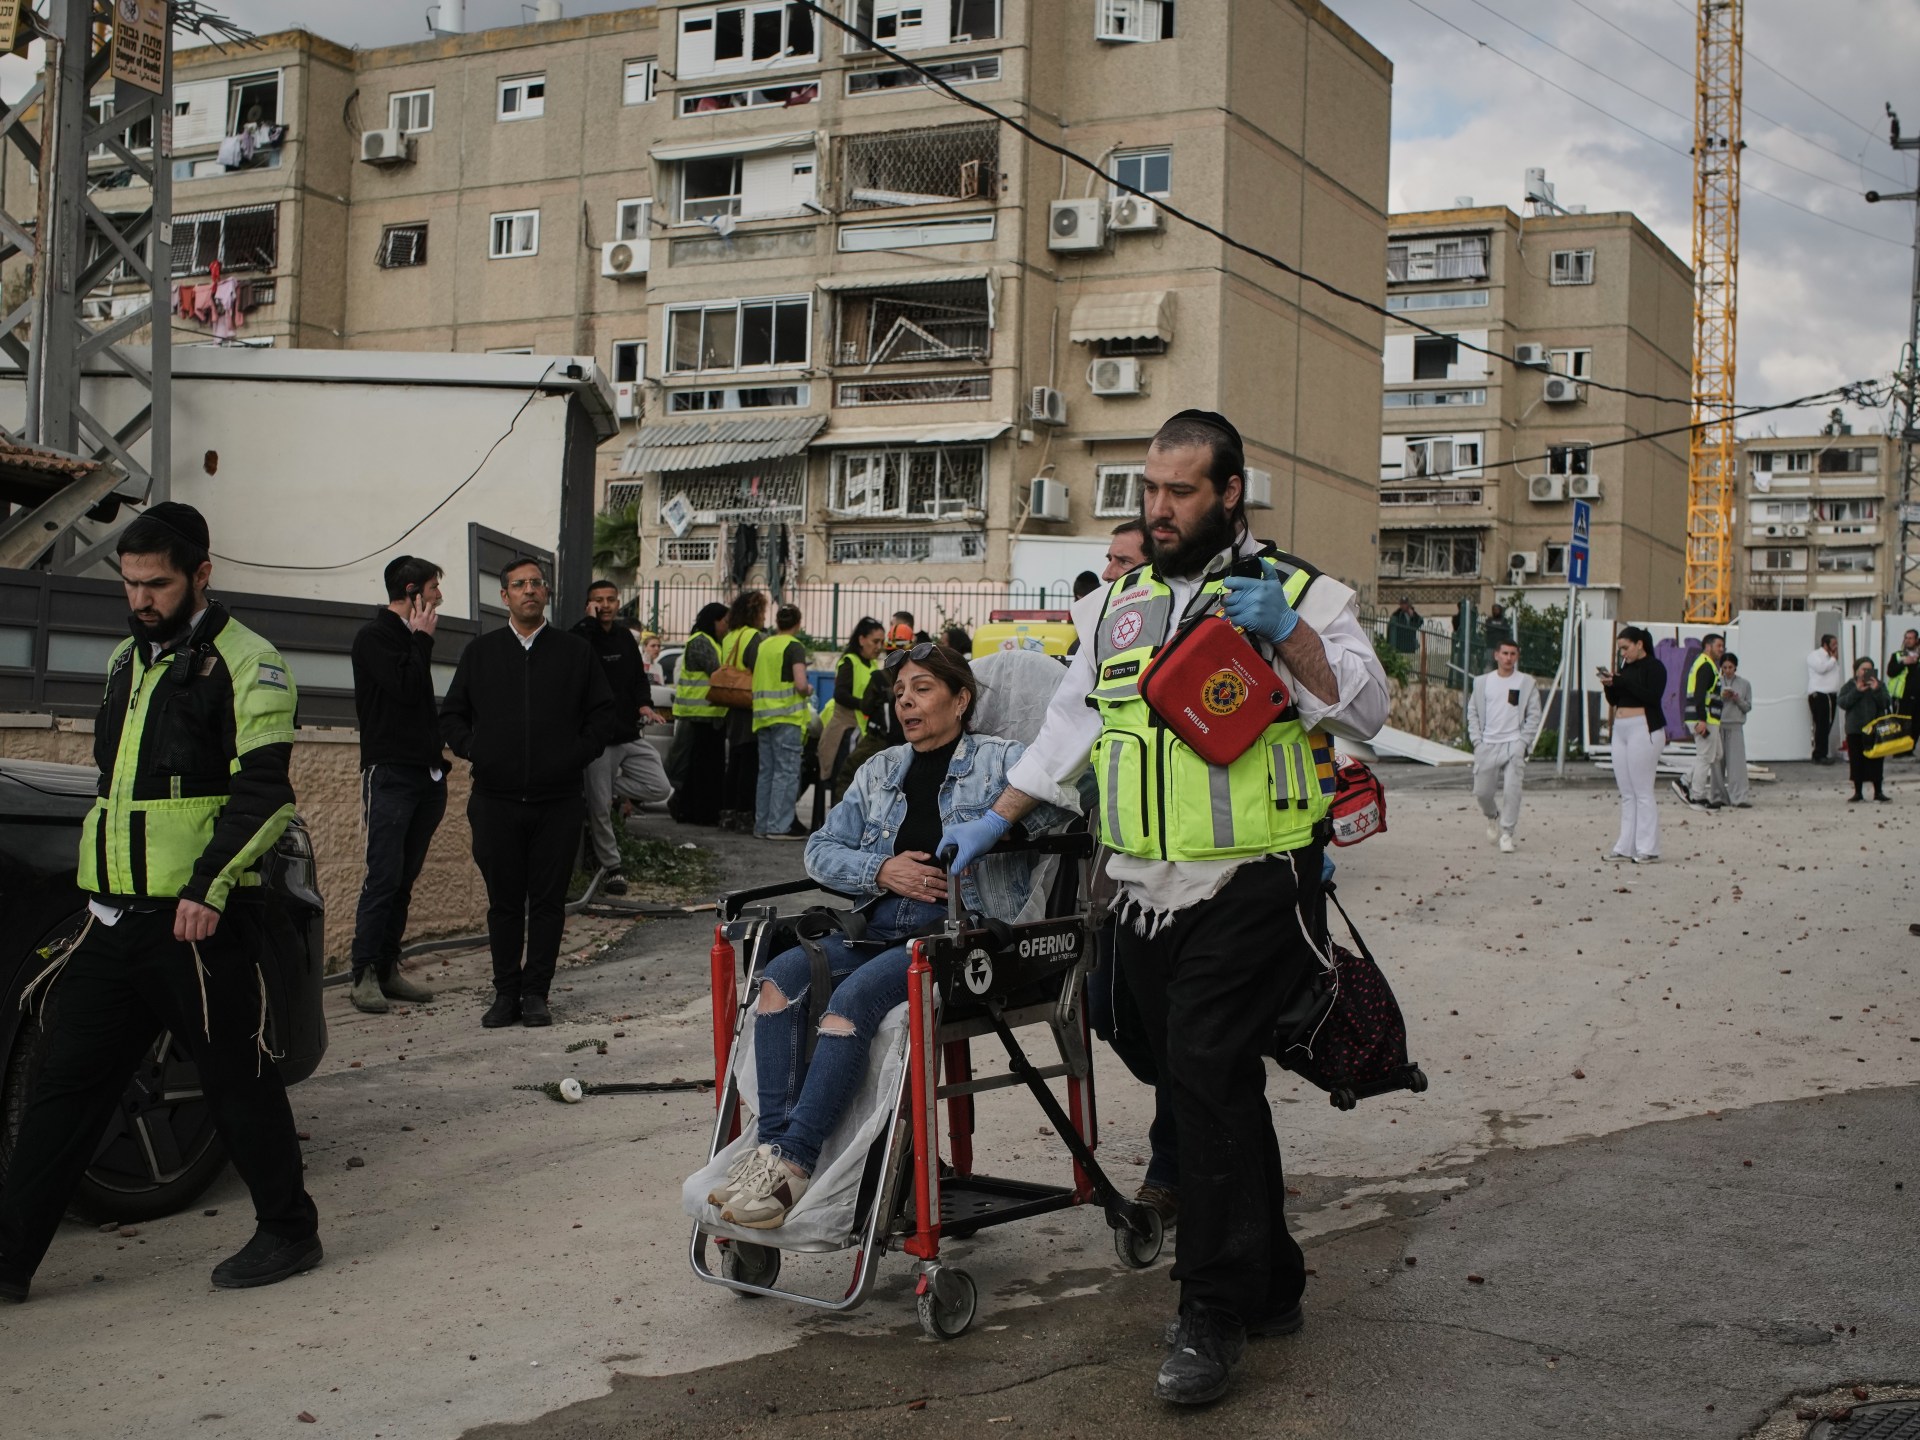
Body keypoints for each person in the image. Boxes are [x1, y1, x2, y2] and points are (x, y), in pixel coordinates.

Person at [938, 410, 1388, 1406]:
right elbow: (1068, 729)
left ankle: (1210, 1310)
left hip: (1253, 880)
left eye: (1181, 491)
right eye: (1150, 489)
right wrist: (993, 819)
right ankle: (1272, 1279)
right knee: (1169, 1057)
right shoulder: (1116, 607)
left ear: (1230, 494)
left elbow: (1366, 710)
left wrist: (1288, 634)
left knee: (1205, 1068)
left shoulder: (1301, 594)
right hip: (1139, 888)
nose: (1160, 508)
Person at [0, 503, 321, 1302]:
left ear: (201, 574)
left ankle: (289, 1230)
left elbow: (264, 792)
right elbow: (120, 790)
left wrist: (208, 888)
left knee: (237, 1083)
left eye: (158, 585)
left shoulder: (250, 662)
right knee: (62, 1092)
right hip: (112, 923)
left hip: (196, 925)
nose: (141, 599)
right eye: (130, 584)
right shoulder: (125, 661)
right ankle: (8, 1260)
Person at [707, 645, 1072, 1228]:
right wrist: (881, 870)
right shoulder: (881, 769)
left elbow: (1071, 795)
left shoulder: (1002, 760)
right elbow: (819, 850)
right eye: (900, 691)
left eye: (923, 688)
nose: (905, 701)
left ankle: (795, 1163)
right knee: (778, 980)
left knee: (853, 999)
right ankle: (772, 1155)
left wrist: (998, 821)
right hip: (874, 925)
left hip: (957, 933)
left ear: (961, 700)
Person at [441, 558, 614, 1028]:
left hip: (557, 802)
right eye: (519, 584)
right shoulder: (481, 653)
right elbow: (452, 715)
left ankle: (536, 993)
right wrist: (477, 749)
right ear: (505, 596)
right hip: (495, 801)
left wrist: (574, 754)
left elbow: (602, 715)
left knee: (547, 903)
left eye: (536, 583)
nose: (530, 590)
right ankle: (505, 994)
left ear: (546, 593)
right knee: (503, 903)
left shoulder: (575, 652)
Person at [346, 554, 448, 1014]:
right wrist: (422, 641)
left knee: (404, 880)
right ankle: (363, 973)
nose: (439, 596)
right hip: (389, 775)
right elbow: (404, 689)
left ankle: (387, 968)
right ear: (411, 592)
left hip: (425, 776)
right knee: (383, 877)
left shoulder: (410, 639)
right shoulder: (375, 637)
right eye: (433, 588)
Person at [572, 580, 671, 895]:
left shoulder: (626, 639)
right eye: (598, 600)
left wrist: (644, 704)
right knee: (599, 809)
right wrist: (588, 623)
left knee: (659, 786)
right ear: (589, 604)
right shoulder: (580, 636)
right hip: (598, 738)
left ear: (618, 603)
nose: (605, 605)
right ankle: (612, 868)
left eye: (610, 599)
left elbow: (638, 678)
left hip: (628, 733)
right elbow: (574, 665)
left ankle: (602, 790)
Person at [1598, 626, 1667, 863]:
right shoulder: (1626, 668)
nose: (1623, 653)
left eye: (1626, 648)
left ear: (1639, 644)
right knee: (1627, 792)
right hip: (1621, 729)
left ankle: (1648, 847)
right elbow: (1616, 699)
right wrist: (1610, 685)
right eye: (1620, 649)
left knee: (1643, 790)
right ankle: (1625, 846)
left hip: (1644, 727)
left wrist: (1623, 682)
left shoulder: (1655, 667)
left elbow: (1651, 697)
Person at [1467, 639, 1542, 853]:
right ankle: (1493, 816)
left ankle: (1507, 833)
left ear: (1517, 656)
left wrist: (1523, 742)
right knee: (1482, 792)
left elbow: (1534, 715)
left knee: (1512, 791)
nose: (1508, 658)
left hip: (1513, 744)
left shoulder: (1526, 682)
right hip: (1487, 744)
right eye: (1505, 653)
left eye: (1513, 654)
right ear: (1496, 655)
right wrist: (1477, 741)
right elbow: (1472, 712)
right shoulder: (1482, 682)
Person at [667, 602, 731, 826]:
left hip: (707, 714)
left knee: (701, 767)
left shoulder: (711, 642)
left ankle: (692, 809)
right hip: (700, 715)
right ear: (714, 621)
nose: (727, 627)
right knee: (701, 767)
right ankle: (696, 811)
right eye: (725, 622)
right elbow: (716, 672)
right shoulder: (701, 642)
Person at [753, 603, 811, 840]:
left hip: (762, 716)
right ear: (798, 623)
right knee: (785, 773)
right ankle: (778, 827)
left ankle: (762, 825)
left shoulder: (764, 644)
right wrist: (808, 690)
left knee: (766, 773)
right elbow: (800, 684)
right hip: (787, 717)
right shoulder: (794, 646)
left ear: (777, 622)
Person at [817, 618, 884, 800]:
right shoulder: (849, 662)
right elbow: (840, 694)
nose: (879, 647)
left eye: (882, 642)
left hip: (862, 730)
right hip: (846, 731)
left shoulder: (872, 665)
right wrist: (865, 704)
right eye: (875, 641)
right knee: (845, 783)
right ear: (861, 639)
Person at [717, 590, 767, 833]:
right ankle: (745, 814)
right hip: (749, 705)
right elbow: (759, 668)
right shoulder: (752, 637)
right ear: (755, 612)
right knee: (749, 763)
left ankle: (727, 813)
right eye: (763, 612)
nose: (765, 617)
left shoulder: (730, 636)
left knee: (734, 763)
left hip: (732, 704)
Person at [1673, 633, 1727, 812]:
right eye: (1719, 646)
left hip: (1709, 718)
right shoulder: (1705, 665)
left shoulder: (1707, 664)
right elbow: (1699, 695)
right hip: (1704, 719)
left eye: (1723, 646)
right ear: (1708, 646)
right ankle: (1697, 796)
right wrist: (1701, 720)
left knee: (1716, 754)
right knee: (1705, 758)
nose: (1721, 649)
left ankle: (1685, 780)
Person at [1839, 658, 1892, 803]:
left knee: (1876, 761)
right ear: (1856, 671)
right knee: (1856, 761)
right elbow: (1843, 702)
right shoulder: (1849, 685)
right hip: (1855, 730)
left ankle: (1878, 792)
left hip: (1875, 730)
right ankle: (1858, 792)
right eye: (1863, 669)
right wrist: (1857, 691)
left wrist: (1876, 690)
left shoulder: (1879, 685)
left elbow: (1886, 702)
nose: (1866, 672)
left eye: (1869, 669)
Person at [1717, 652, 1753, 808]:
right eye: (1725, 667)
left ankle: (1739, 797)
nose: (1727, 670)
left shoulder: (1744, 684)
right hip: (1719, 725)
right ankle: (1718, 796)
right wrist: (1722, 697)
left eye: (1730, 667)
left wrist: (1736, 698)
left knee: (1737, 765)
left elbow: (1747, 707)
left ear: (1735, 667)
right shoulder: (1717, 682)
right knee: (1717, 763)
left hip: (1736, 725)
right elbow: (1710, 702)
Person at [1807, 634, 1841, 764]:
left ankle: (1822, 752)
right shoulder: (1815, 655)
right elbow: (1821, 669)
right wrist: (1833, 659)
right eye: (1833, 644)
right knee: (1822, 725)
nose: (1836, 647)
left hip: (1830, 695)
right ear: (1825, 644)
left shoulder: (1831, 658)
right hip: (1820, 694)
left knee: (1828, 724)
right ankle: (1819, 754)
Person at [1886, 629, 1920, 744]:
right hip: (1902, 697)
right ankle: (1900, 749)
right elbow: (1890, 672)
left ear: (1916, 640)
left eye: (1910, 638)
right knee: (1901, 724)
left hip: (1917, 698)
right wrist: (1903, 663)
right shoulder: (1899, 655)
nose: (1908, 640)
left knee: (1916, 725)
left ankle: (1910, 748)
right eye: (1906, 638)